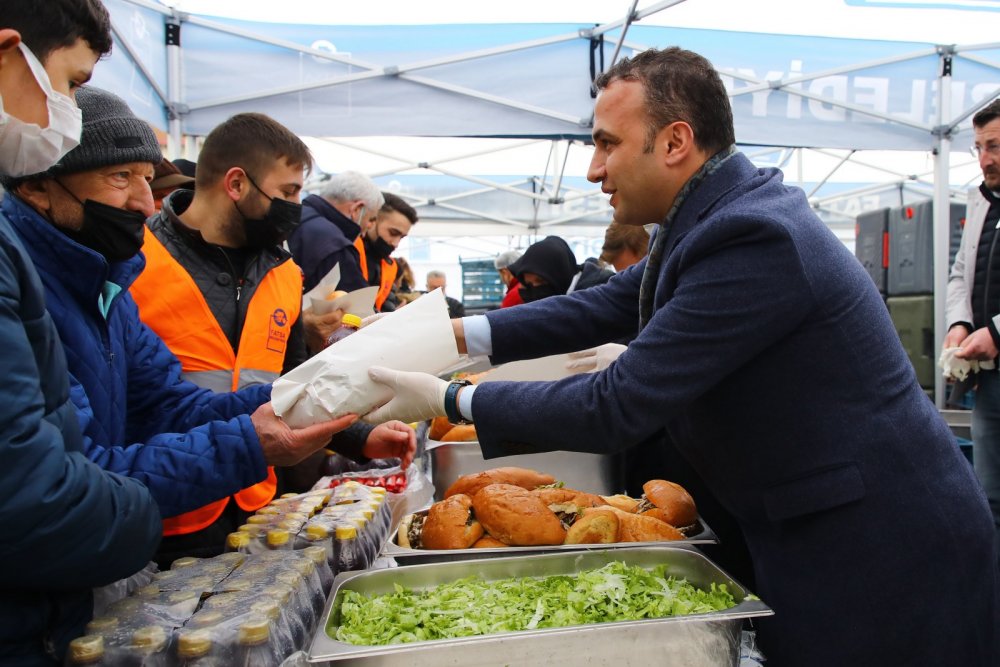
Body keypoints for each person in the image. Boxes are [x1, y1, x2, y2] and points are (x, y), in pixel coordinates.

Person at [362, 47, 1000, 666]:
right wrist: (453, 337)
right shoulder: (707, 216)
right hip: (812, 526)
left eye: (608, 143)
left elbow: (616, 405)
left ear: (674, 142)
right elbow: (604, 306)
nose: (593, 168)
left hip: (881, 547)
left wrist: (450, 398)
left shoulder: (755, 235)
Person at [0, 87, 409, 571]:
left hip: (240, 494)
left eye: (147, 179)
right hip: (149, 518)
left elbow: (172, 399)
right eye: (120, 177)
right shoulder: (126, 266)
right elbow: (59, 478)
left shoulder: (276, 272)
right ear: (37, 184)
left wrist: (347, 419)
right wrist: (252, 442)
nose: (142, 202)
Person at [133, 112, 415, 563]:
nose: (297, 207)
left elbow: (294, 384)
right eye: (288, 192)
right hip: (157, 503)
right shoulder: (135, 260)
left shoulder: (285, 274)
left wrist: (360, 437)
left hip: (256, 500)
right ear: (236, 184)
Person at [0, 3, 161, 664]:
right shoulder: (29, 262)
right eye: (69, 82)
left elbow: (163, 394)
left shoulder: (107, 279)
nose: (68, 112)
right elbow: (36, 494)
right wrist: (145, 517)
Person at [945, 97, 1000, 558]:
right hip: (989, 379)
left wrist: (996, 333)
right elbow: (962, 271)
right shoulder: (980, 200)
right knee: (990, 497)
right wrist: (960, 324)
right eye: (979, 147)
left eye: (996, 146)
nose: (986, 159)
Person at [287, 170, 382, 293]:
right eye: (370, 219)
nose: (368, 228)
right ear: (357, 209)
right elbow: (358, 306)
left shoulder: (292, 219)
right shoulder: (336, 245)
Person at [355, 192, 417, 311]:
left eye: (402, 237)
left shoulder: (391, 267)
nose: (396, 243)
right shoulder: (349, 250)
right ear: (373, 220)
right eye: (393, 233)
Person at [508, 236, 612, 303]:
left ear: (559, 271)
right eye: (529, 284)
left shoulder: (601, 293)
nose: (535, 290)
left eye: (541, 280)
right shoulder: (569, 293)